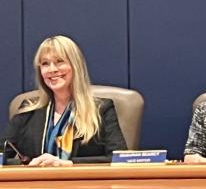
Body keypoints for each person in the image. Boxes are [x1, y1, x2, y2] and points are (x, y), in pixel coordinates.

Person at [2, 35, 127, 166]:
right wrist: (28, 164)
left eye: (59, 61)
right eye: (45, 64)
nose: (52, 69)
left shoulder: (102, 109)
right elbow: (1, 157)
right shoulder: (28, 109)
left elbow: (119, 160)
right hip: (36, 184)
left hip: (83, 184)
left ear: (75, 66)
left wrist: (68, 163)